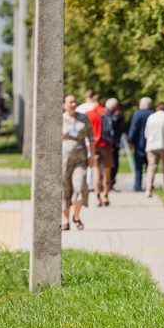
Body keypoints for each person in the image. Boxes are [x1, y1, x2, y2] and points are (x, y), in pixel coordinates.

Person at [62, 94, 94, 231]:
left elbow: (91, 138)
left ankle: (76, 216)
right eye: (70, 102)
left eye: (75, 101)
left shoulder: (83, 118)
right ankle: (65, 220)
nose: (73, 104)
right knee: (64, 189)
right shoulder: (59, 119)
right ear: (64, 104)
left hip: (80, 160)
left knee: (80, 187)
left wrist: (92, 155)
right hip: (63, 161)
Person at [84, 95, 115, 207]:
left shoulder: (89, 114)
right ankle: (106, 197)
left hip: (94, 145)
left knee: (96, 171)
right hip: (106, 145)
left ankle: (97, 197)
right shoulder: (106, 112)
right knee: (106, 172)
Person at [126, 97, 154, 192]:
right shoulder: (153, 114)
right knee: (150, 166)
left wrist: (130, 140)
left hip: (140, 144)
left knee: (138, 167)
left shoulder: (138, 114)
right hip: (151, 144)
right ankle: (149, 186)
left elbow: (133, 129)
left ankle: (137, 186)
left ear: (142, 104)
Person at [105, 98, 124, 190]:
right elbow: (111, 127)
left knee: (113, 164)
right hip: (111, 144)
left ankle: (110, 183)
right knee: (112, 165)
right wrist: (117, 117)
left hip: (113, 143)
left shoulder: (109, 114)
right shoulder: (109, 115)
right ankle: (109, 183)